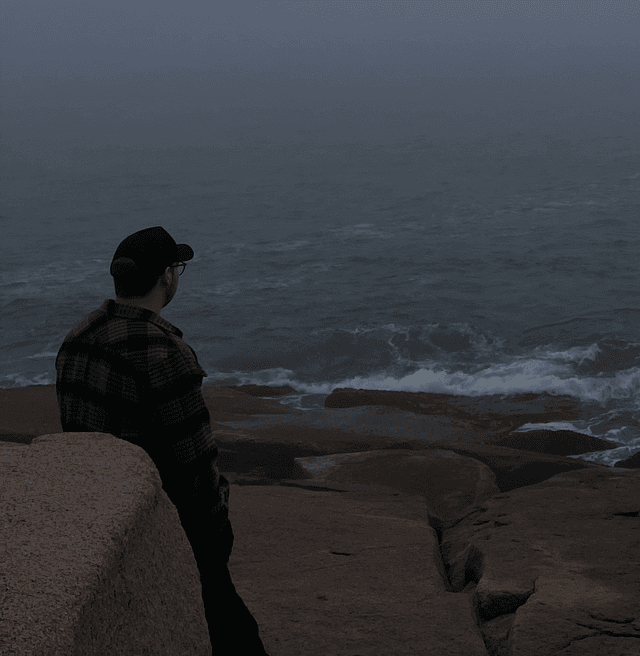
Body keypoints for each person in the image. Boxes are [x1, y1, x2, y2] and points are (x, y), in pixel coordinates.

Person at [55, 226, 270, 655]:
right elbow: (193, 463)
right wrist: (217, 531)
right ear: (167, 277)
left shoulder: (77, 339)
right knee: (235, 636)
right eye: (177, 269)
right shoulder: (164, 353)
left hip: (94, 514)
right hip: (168, 526)